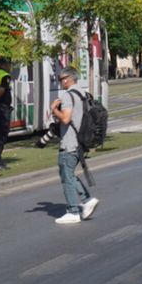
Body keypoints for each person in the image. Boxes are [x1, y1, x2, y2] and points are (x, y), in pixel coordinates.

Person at [50, 66, 99, 225]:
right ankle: (87, 200)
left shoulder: (68, 96)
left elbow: (65, 118)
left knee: (66, 176)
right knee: (68, 173)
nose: (60, 82)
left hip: (70, 142)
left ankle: (72, 211)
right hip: (81, 141)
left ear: (67, 79)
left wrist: (53, 110)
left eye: (61, 79)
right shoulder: (83, 94)